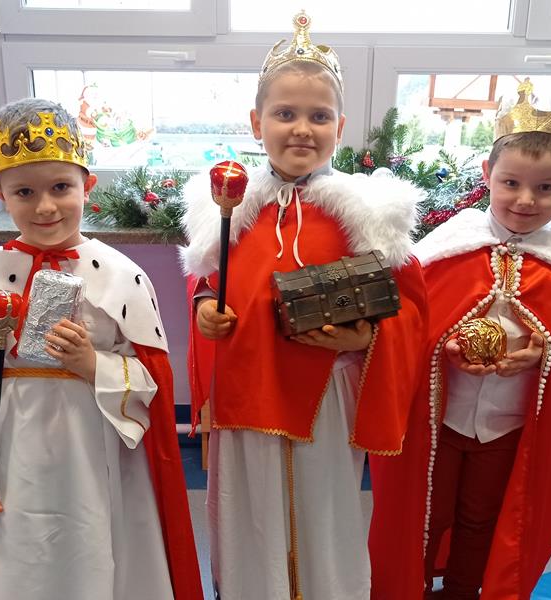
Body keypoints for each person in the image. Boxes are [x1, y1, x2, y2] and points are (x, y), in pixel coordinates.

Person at [0, 98, 202, 600]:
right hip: (13, 469)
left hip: (97, 465)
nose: (45, 207)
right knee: (21, 562)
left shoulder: (122, 276)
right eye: (24, 192)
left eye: (61, 187)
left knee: (96, 556)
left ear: (88, 186)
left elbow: (150, 388)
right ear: (0, 195)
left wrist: (93, 364)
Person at [180, 11, 428, 600]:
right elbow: (211, 282)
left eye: (318, 117)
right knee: (249, 516)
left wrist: (368, 337)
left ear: (340, 127)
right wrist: (205, 309)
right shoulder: (229, 209)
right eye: (284, 113)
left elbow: (410, 310)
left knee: (324, 515)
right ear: (256, 122)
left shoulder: (369, 215)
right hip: (247, 388)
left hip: (328, 396)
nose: (301, 129)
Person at [369, 79, 551, 600]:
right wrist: (444, 347)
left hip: (506, 426)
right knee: (425, 512)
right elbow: (405, 329)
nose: (525, 199)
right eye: (511, 183)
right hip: (442, 421)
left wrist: (543, 354)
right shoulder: (447, 249)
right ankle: (411, 588)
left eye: (545, 188)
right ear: (487, 175)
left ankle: (462, 590)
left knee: (482, 517)